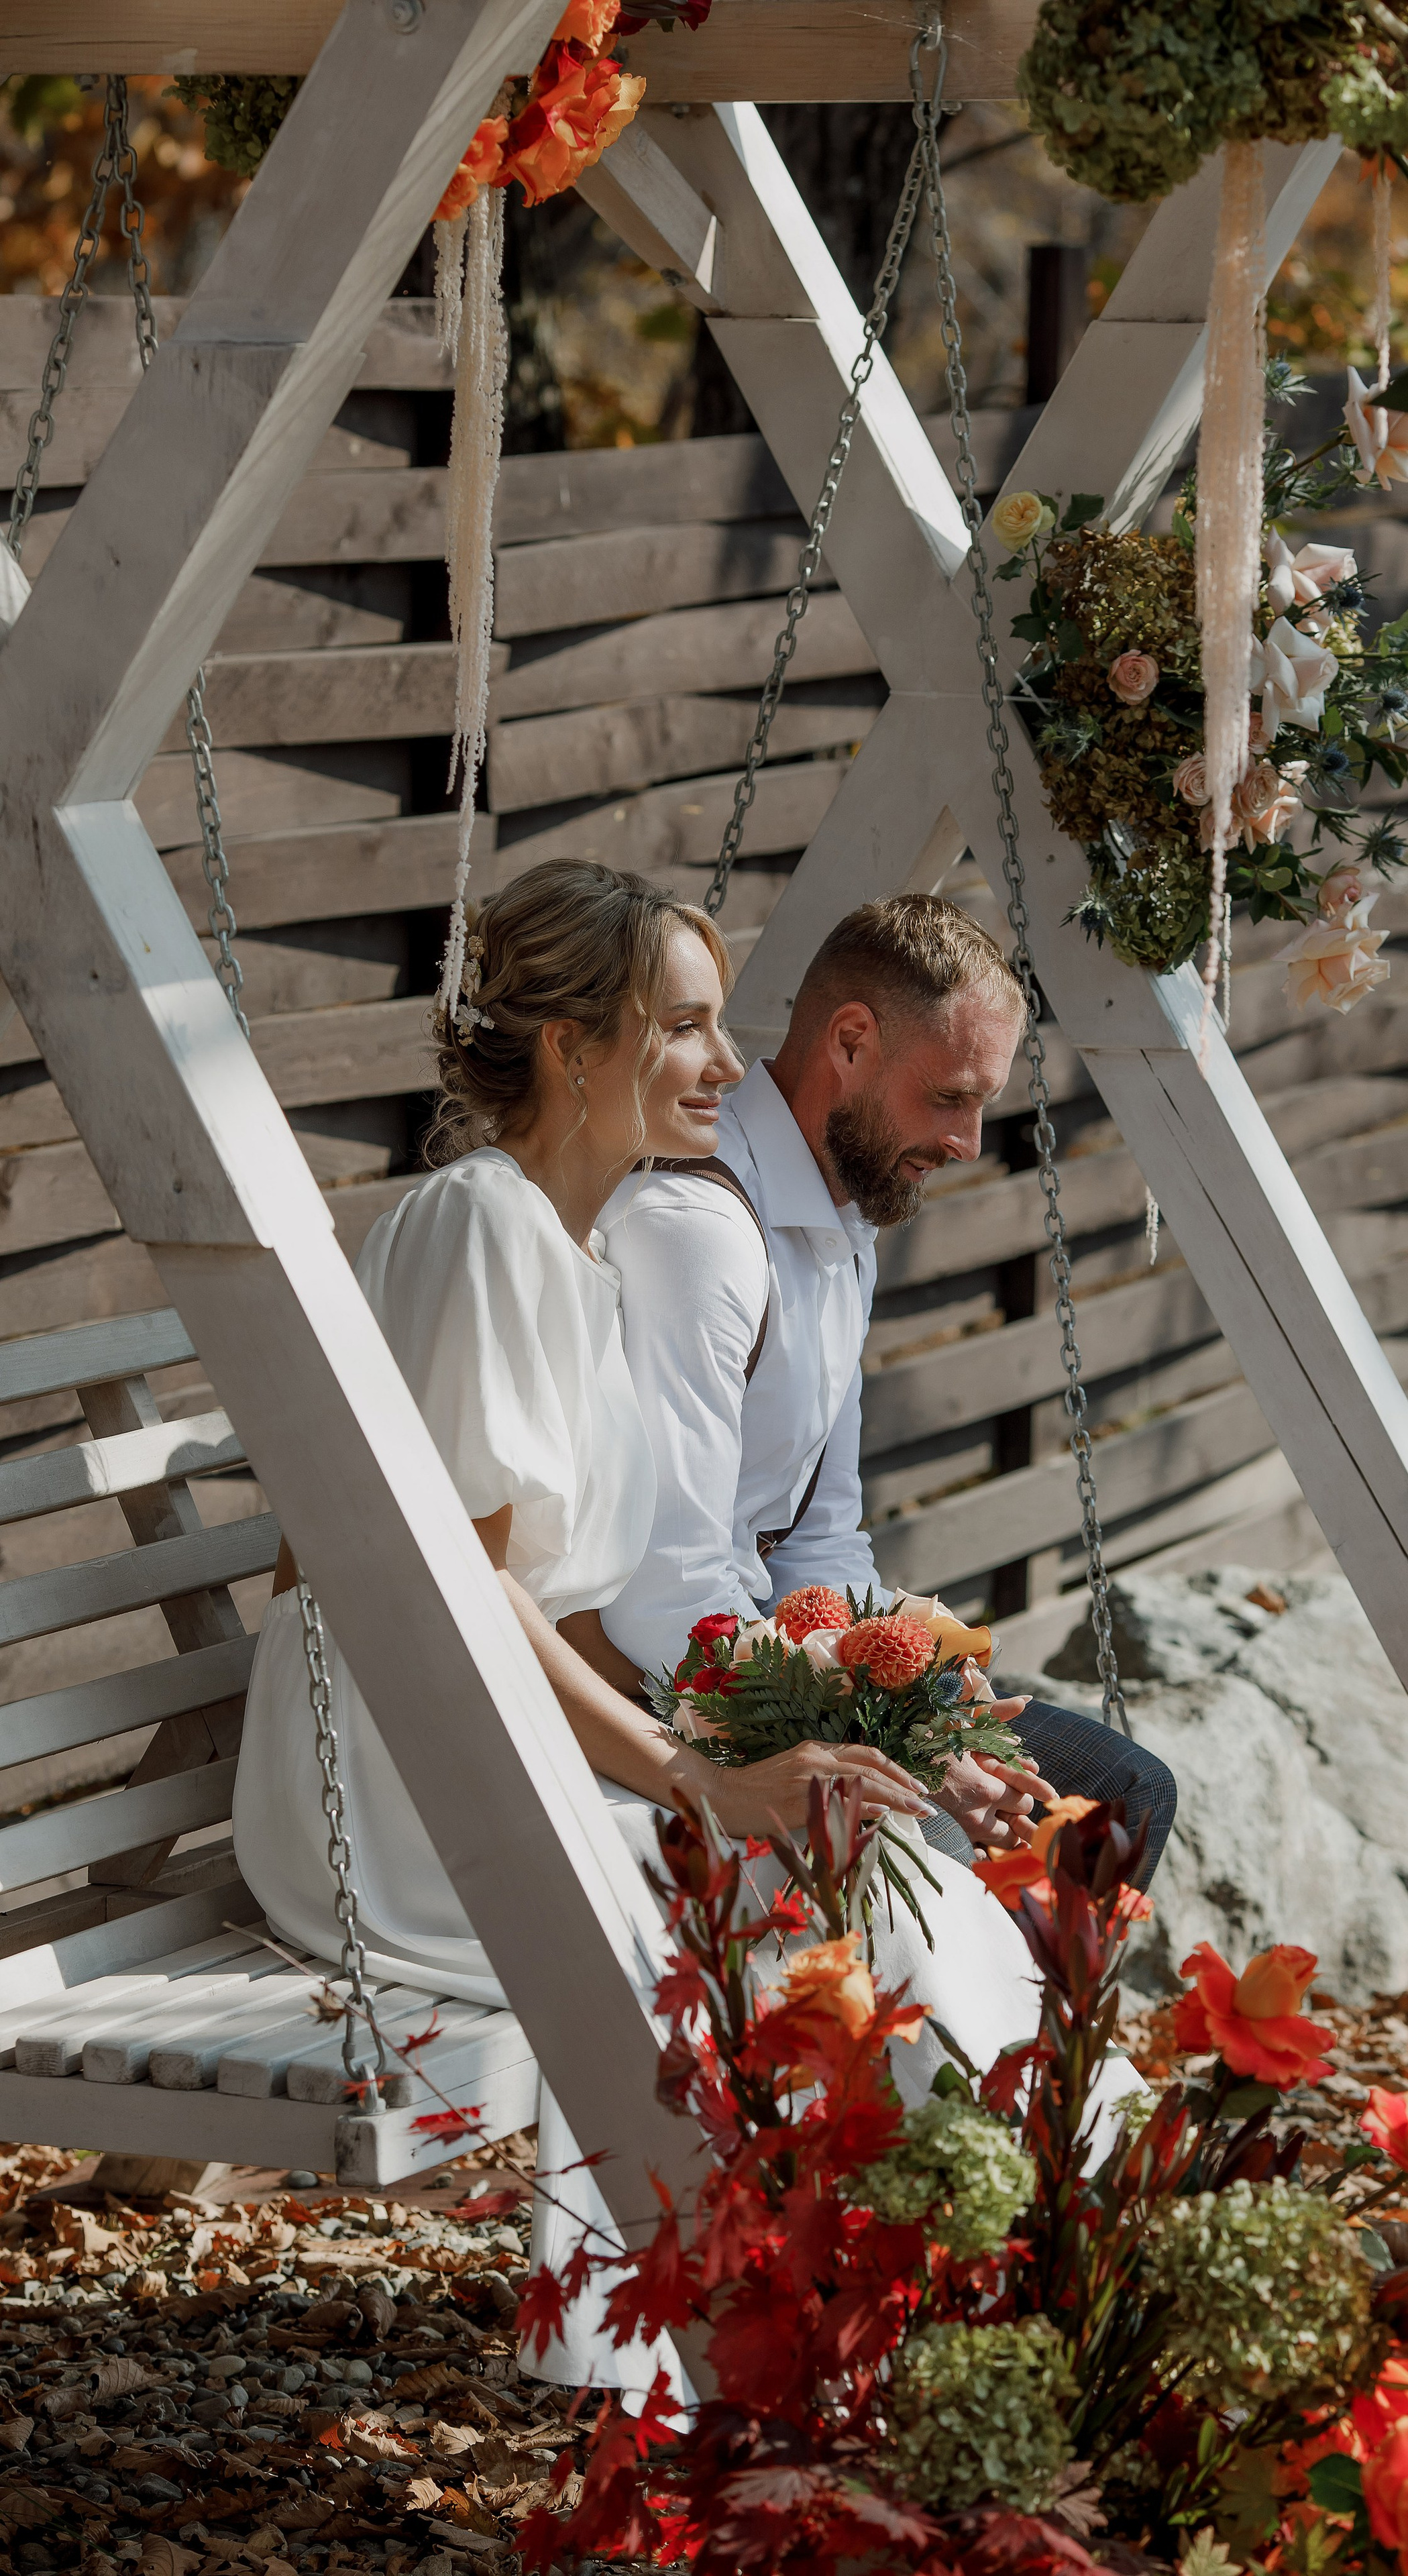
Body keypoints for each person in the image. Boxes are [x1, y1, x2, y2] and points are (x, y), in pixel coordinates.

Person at [231, 859, 1128, 2403]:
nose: (729, 1065)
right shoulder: (485, 1227)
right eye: (688, 1029)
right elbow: (458, 1596)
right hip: (402, 1779)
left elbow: (579, 1602)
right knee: (856, 1891)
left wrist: (767, 1753)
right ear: (580, 1048)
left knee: (886, 1873)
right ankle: (880, 2336)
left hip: (488, 1741)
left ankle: (1032, 2294)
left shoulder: (575, 1251)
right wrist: (694, 1779)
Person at [598, 893, 1177, 1882]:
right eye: (951, 1097)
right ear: (852, 1044)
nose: (970, 1141)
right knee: (950, 1857)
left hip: (781, 1654)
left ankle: (1046, 2034)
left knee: (1120, 1792)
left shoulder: (845, 1223)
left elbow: (819, 1540)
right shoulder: (697, 1229)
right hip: (674, 1691)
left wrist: (919, 1679)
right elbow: (669, 1599)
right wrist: (910, 1743)